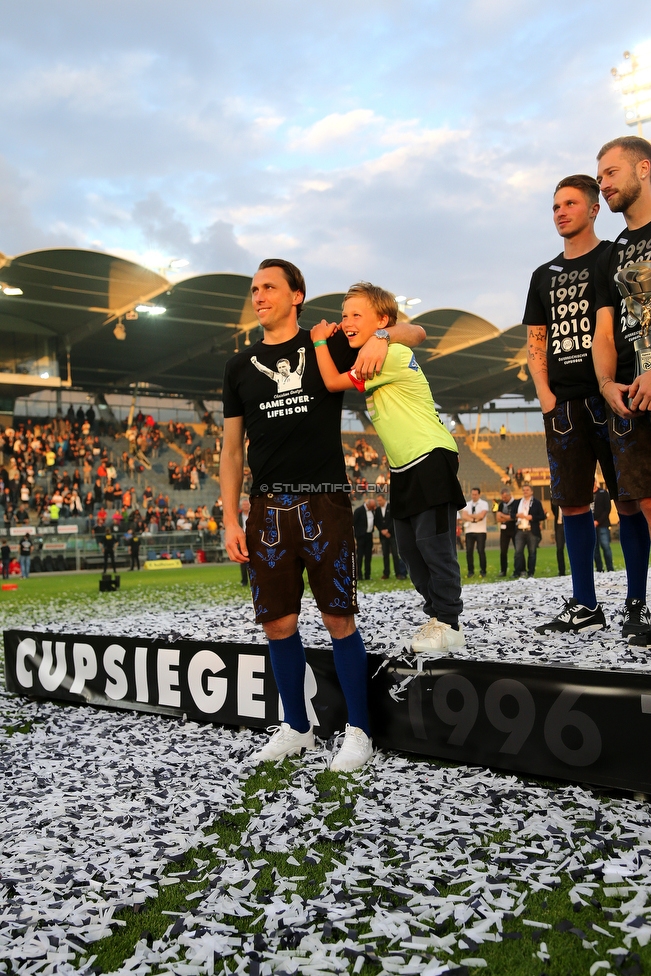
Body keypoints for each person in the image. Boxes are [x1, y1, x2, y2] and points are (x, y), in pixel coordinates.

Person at [221, 259, 425, 770]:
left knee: (338, 618)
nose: (259, 295)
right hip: (266, 508)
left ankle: (359, 730)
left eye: (269, 287)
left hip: (325, 498)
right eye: (254, 288)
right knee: (278, 625)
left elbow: (417, 330)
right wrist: (228, 516)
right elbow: (230, 450)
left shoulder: (328, 343)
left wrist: (380, 338)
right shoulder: (239, 366)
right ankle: (296, 727)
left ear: (297, 295)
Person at [311, 281, 465, 652]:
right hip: (404, 466)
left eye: (355, 315)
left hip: (429, 455)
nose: (347, 321)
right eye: (344, 315)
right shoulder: (378, 345)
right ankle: (438, 618)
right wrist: (367, 334)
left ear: (382, 320)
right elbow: (415, 330)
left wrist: (319, 341)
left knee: (433, 546)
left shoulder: (386, 354)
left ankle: (449, 623)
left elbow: (331, 381)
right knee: (411, 552)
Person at [525, 173, 626, 634]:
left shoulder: (613, 255)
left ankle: (637, 601)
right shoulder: (542, 275)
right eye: (554, 206)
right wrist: (546, 398)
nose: (560, 212)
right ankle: (584, 605)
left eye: (569, 204)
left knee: (630, 499)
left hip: (611, 395)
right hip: (563, 405)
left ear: (593, 208)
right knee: (572, 505)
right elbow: (536, 342)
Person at [592, 136, 651, 642]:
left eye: (611, 173)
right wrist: (607, 381)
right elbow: (604, 332)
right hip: (630, 395)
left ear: (644, 169)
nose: (604, 184)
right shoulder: (613, 255)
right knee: (646, 502)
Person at [513, 485, 547, 578]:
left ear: (532, 491)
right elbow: (511, 514)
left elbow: (542, 516)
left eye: (527, 490)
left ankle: (531, 572)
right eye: (524, 490)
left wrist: (532, 517)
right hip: (520, 530)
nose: (525, 491)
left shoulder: (536, 503)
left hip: (531, 530)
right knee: (518, 552)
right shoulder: (517, 502)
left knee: (532, 553)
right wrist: (516, 515)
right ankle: (517, 571)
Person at [374, 493, 407, 579]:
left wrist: (388, 530)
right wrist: (382, 530)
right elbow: (376, 522)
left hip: (392, 535)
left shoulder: (391, 508)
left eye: (380, 500)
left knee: (395, 555)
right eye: (378, 501)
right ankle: (386, 573)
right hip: (383, 536)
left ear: (384, 499)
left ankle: (398, 573)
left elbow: (393, 520)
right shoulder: (377, 510)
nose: (379, 502)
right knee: (385, 555)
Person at [460, 488, 489, 578]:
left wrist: (470, 516)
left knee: (481, 551)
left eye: (475, 494)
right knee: (469, 551)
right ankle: (470, 571)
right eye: (472, 494)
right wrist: (473, 519)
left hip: (481, 531)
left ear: (479, 494)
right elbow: (464, 516)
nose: (474, 496)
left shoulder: (484, 504)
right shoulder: (468, 504)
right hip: (469, 530)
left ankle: (483, 570)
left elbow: (482, 516)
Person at [495, 487, 518, 577]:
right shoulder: (501, 505)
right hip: (504, 530)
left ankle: (521, 569)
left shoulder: (515, 503)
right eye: (502, 497)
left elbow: (515, 516)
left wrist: (503, 516)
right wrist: (508, 517)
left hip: (514, 529)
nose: (503, 499)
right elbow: (498, 518)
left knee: (518, 550)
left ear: (509, 495)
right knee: (503, 551)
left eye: (505, 497)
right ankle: (503, 570)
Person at [593, 481, 614, 573]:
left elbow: (607, 509)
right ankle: (599, 568)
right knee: (594, 549)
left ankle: (610, 568)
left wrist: (598, 521)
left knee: (605, 546)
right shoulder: (586, 495)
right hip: (591, 526)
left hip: (603, 525)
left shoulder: (603, 493)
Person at [353, 497, 376, 580]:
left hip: (369, 536)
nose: (373, 508)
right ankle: (359, 575)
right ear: (368, 505)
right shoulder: (359, 511)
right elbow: (354, 523)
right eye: (372, 506)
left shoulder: (373, 511)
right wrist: (356, 536)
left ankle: (367, 575)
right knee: (359, 557)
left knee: (368, 556)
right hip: (361, 537)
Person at [550, 502, 566, 576]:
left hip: (570, 524)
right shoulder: (556, 497)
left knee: (574, 548)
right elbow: (553, 509)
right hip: (559, 525)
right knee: (559, 549)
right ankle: (561, 571)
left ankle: (577, 570)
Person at [238, 497, 250, 586]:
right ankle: (244, 581)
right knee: (243, 562)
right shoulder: (238, 517)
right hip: (242, 541)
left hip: (253, 540)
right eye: (244, 504)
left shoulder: (254, 515)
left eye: (247, 504)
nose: (245, 506)